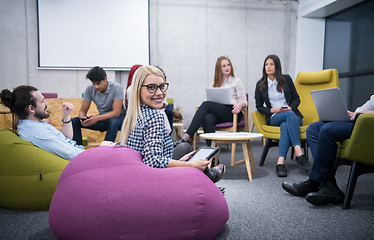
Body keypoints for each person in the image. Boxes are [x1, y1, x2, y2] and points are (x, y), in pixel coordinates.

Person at [118, 65, 225, 183]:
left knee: (185, 148)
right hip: (153, 178)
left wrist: (181, 162)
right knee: (187, 150)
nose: (159, 93)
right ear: (138, 90)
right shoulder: (155, 116)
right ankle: (209, 178)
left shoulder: (134, 113)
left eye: (162, 86)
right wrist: (190, 165)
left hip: (136, 174)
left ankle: (207, 177)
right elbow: (153, 161)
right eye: (151, 87)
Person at [282, 94, 374, 206]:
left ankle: (313, 183)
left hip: (369, 124)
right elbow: (366, 106)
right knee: (313, 129)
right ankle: (329, 184)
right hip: (361, 121)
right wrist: (355, 113)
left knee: (328, 130)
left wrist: (367, 114)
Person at [254, 54, 311, 177]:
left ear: (277, 66)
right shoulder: (260, 85)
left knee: (286, 123)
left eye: (271, 64)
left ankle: (280, 163)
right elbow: (259, 107)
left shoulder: (286, 79)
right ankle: (299, 153)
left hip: (292, 116)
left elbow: (296, 99)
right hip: (275, 117)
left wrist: (290, 107)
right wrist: (273, 110)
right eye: (266, 64)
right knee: (287, 116)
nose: (268, 67)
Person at [174, 56, 247, 147]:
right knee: (207, 118)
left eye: (228, 65)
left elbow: (244, 101)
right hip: (218, 113)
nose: (227, 67)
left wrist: (240, 105)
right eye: (224, 66)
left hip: (232, 112)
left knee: (206, 105)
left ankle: (187, 136)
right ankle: (212, 156)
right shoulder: (214, 83)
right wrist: (200, 114)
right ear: (219, 69)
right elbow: (209, 100)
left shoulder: (236, 81)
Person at [0, 85, 83, 160]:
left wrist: (66, 115)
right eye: (43, 101)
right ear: (31, 108)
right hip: (78, 159)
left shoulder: (34, 124)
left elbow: (67, 138)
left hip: (79, 152)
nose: (47, 103)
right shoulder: (35, 131)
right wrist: (91, 154)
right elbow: (70, 154)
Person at [71, 66, 126, 145]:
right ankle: (78, 149)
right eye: (94, 84)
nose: (96, 87)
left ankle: (105, 150)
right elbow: (82, 111)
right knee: (74, 121)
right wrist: (82, 118)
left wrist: (97, 118)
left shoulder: (117, 88)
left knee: (113, 122)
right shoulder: (89, 89)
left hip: (118, 118)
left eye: (98, 83)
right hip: (102, 118)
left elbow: (116, 112)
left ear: (105, 79)